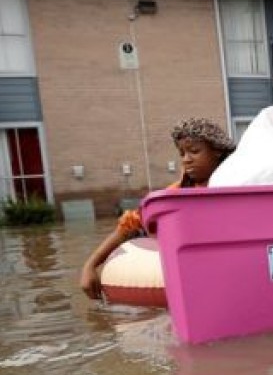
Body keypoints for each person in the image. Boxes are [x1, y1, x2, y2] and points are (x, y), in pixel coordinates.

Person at [80, 118, 235, 300]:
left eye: (194, 151)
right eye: (182, 153)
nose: (186, 160)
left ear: (217, 152)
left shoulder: (236, 185)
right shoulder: (176, 193)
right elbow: (129, 225)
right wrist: (89, 266)